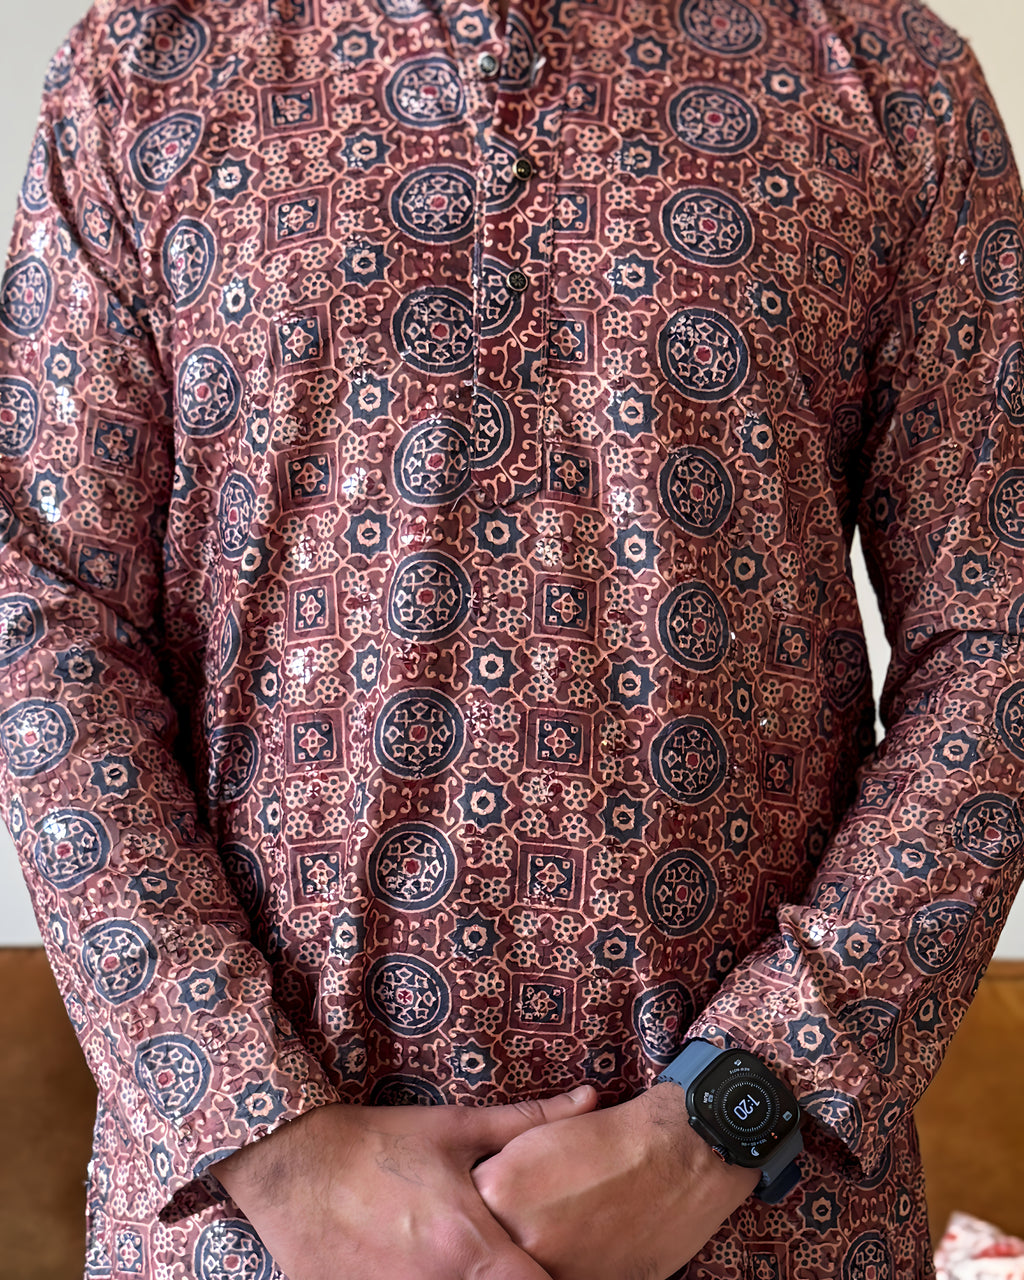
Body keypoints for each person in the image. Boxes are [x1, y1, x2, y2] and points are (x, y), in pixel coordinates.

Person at [2, 0, 1023, 1275]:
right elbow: (43, 618)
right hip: (251, 1232)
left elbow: (997, 635)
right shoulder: (145, 68)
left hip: (755, 1217)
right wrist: (266, 1137)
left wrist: (729, 1112)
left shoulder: (885, 80)